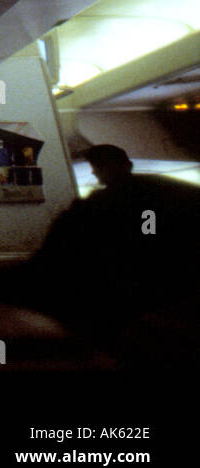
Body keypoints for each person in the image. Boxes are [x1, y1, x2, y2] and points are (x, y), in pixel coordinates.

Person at [20, 143, 200, 364]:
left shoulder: (96, 206)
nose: (95, 173)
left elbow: (59, 254)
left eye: (97, 168)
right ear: (129, 165)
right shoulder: (173, 192)